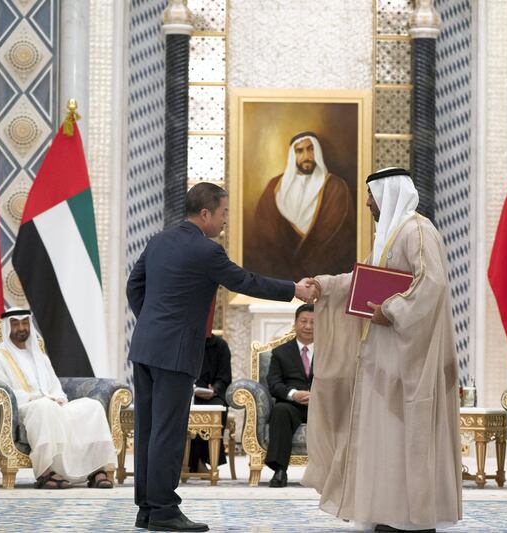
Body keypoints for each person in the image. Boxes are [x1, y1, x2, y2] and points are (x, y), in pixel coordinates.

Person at [127, 182, 314, 532]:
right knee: (167, 432)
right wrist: (294, 290)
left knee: (149, 429)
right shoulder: (207, 251)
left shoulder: (157, 241)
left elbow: (134, 287)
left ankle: (147, 509)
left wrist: (154, 323)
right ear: (206, 214)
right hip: (177, 352)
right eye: (224, 213)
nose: (226, 220)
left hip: (146, 347)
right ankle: (164, 510)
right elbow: (247, 281)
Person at [301, 168, 462, 533]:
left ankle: (408, 517)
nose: (369, 203)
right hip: (381, 359)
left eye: (372, 195)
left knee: (404, 435)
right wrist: (324, 286)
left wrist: (391, 311)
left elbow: (431, 283)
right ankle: (385, 511)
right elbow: (362, 283)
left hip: (409, 360)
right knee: (383, 438)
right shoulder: (388, 237)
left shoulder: (418, 231)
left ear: (389, 193)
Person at [0, 308, 116, 489]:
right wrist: (38, 399)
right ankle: (45, 472)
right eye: (15, 324)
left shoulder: (40, 357)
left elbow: (56, 388)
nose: (21, 328)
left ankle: (96, 470)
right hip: (23, 410)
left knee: (92, 407)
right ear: (7, 327)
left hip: (51, 405)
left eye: (24, 323)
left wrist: (57, 398)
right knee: (44, 407)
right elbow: (0, 391)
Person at [244, 131, 356, 281]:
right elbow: (264, 232)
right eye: (300, 151)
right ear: (293, 155)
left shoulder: (335, 187)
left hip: (324, 276)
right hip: (280, 276)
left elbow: (339, 236)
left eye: (311, 149)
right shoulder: (274, 187)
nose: (307, 156)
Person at [265, 304, 315, 488]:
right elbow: (274, 384)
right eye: (304, 321)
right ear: (295, 324)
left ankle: (334, 474)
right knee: (280, 410)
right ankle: (279, 470)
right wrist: (293, 395)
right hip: (292, 404)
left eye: (313, 322)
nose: (308, 326)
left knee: (339, 411)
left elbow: (338, 380)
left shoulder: (330, 350)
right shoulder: (281, 352)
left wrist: (318, 395)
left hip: (321, 404)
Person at [187, 334, 232, 474]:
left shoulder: (220, 345)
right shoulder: (183, 341)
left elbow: (224, 377)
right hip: (185, 393)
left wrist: (215, 389)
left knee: (218, 407)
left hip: (211, 394)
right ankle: (184, 460)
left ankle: (202, 460)